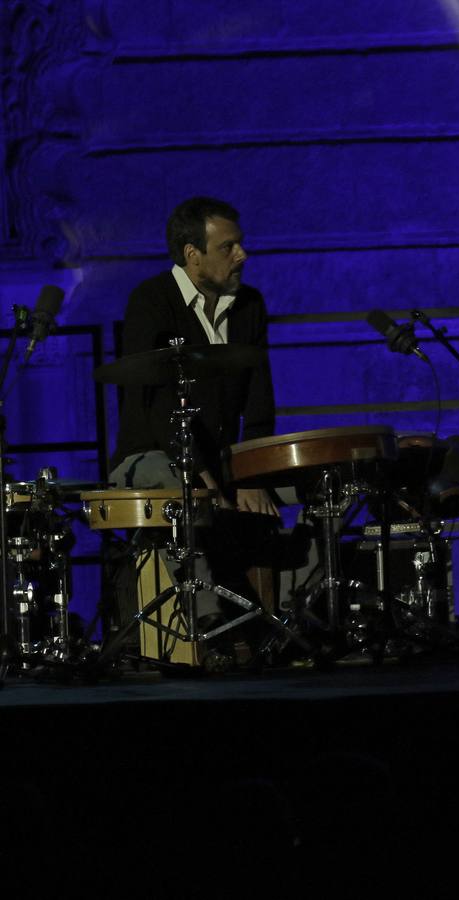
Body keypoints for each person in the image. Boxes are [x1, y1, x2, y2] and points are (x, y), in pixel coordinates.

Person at [107, 197, 282, 660]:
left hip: (222, 461)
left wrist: (252, 475)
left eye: (240, 244)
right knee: (181, 494)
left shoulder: (249, 305)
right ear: (192, 254)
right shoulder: (151, 300)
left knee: (306, 498)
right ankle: (211, 619)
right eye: (229, 247)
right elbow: (159, 404)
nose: (242, 255)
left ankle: (288, 624)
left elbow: (260, 398)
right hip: (150, 454)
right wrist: (208, 481)